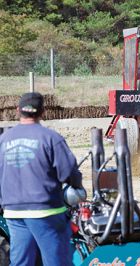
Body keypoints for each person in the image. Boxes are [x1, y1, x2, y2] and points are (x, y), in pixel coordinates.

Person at [0, 92, 83, 266]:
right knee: (56, 261)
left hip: (13, 213)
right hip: (45, 212)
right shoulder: (51, 138)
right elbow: (68, 172)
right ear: (43, 112)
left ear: (17, 111)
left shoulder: (3, 140)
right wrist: (77, 186)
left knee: (21, 262)